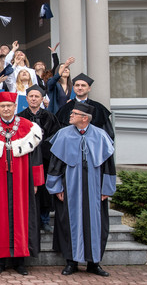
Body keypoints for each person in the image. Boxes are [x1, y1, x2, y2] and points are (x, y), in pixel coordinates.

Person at [0, 91, 43, 275]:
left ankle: (20, 261)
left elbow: (36, 157)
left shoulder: (29, 128)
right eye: (2, 106)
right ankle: (0, 260)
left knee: (21, 217)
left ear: (15, 107)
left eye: (9, 106)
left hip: (22, 182)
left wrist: (35, 182)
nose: (6, 109)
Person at [47, 102, 116, 277]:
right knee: (69, 223)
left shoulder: (100, 136)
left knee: (96, 224)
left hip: (94, 188)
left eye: (74, 113)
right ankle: (71, 262)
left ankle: (94, 263)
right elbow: (55, 164)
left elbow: (109, 165)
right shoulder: (63, 135)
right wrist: (56, 187)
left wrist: (107, 189)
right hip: (71, 187)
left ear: (85, 118)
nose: (70, 116)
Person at [18, 85, 61, 233]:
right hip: (26, 159)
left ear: (42, 99)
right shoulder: (20, 117)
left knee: (44, 191)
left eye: (37, 96)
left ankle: (44, 220)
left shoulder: (50, 117)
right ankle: (29, 219)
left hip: (45, 159)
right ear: (27, 98)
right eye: (31, 96)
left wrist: (41, 149)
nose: (34, 99)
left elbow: (55, 137)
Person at [54, 73, 114, 139]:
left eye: (83, 85)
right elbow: (59, 135)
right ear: (73, 88)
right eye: (77, 85)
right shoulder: (64, 109)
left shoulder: (99, 108)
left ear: (89, 88)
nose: (80, 88)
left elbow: (108, 134)